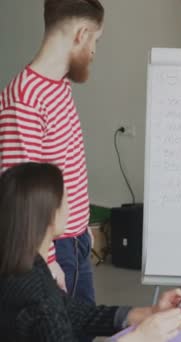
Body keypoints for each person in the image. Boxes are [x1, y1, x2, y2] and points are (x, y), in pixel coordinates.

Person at [0, 163, 181, 342]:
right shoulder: (40, 297)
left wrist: (149, 312)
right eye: (66, 201)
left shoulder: (23, 265)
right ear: (50, 214)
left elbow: (76, 313)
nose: (71, 208)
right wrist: (139, 337)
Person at [0, 0, 105, 311]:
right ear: (80, 34)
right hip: (52, 253)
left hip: (74, 242)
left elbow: (67, 165)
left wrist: (81, 223)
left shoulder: (58, 86)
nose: (94, 52)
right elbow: (21, 202)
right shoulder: (24, 101)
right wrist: (48, 262)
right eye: (95, 41)